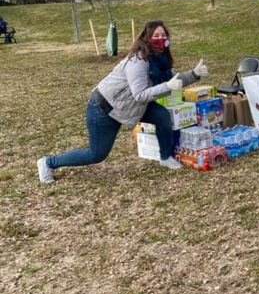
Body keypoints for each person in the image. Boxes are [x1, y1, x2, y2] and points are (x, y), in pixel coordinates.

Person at [37, 20, 208, 183]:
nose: (161, 39)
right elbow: (140, 95)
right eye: (156, 36)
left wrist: (194, 74)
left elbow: (173, 81)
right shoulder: (138, 61)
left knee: (162, 116)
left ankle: (165, 157)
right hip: (105, 109)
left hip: (132, 106)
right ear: (146, 38)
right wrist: (168, 86)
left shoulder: (160, 60)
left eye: (164, 35)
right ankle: (48, 163)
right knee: (96, 154)